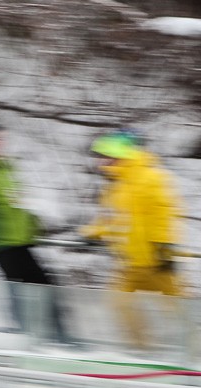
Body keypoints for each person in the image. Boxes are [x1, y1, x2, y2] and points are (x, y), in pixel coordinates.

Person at [0, 119, 73, 345]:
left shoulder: (3, 168)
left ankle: (50, 336)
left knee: (38, 286)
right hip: (5, 244)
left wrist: (30, 222)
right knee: (30, 289)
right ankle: (35, 338)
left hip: (22, 240)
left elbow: (16, 201)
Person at [79, 132, 184, 352]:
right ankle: (142, 350)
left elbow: (165, 214)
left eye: (104, 157)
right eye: (99, 157)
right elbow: (113, 219)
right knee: (119, 305)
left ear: (117, 156)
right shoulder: (115, 185)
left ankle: (195, 352)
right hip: (128, 263)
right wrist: (91, 233)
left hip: (156, 261)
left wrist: (165, 247)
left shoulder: (151, 177)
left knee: (177, 309)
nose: (100, 162)